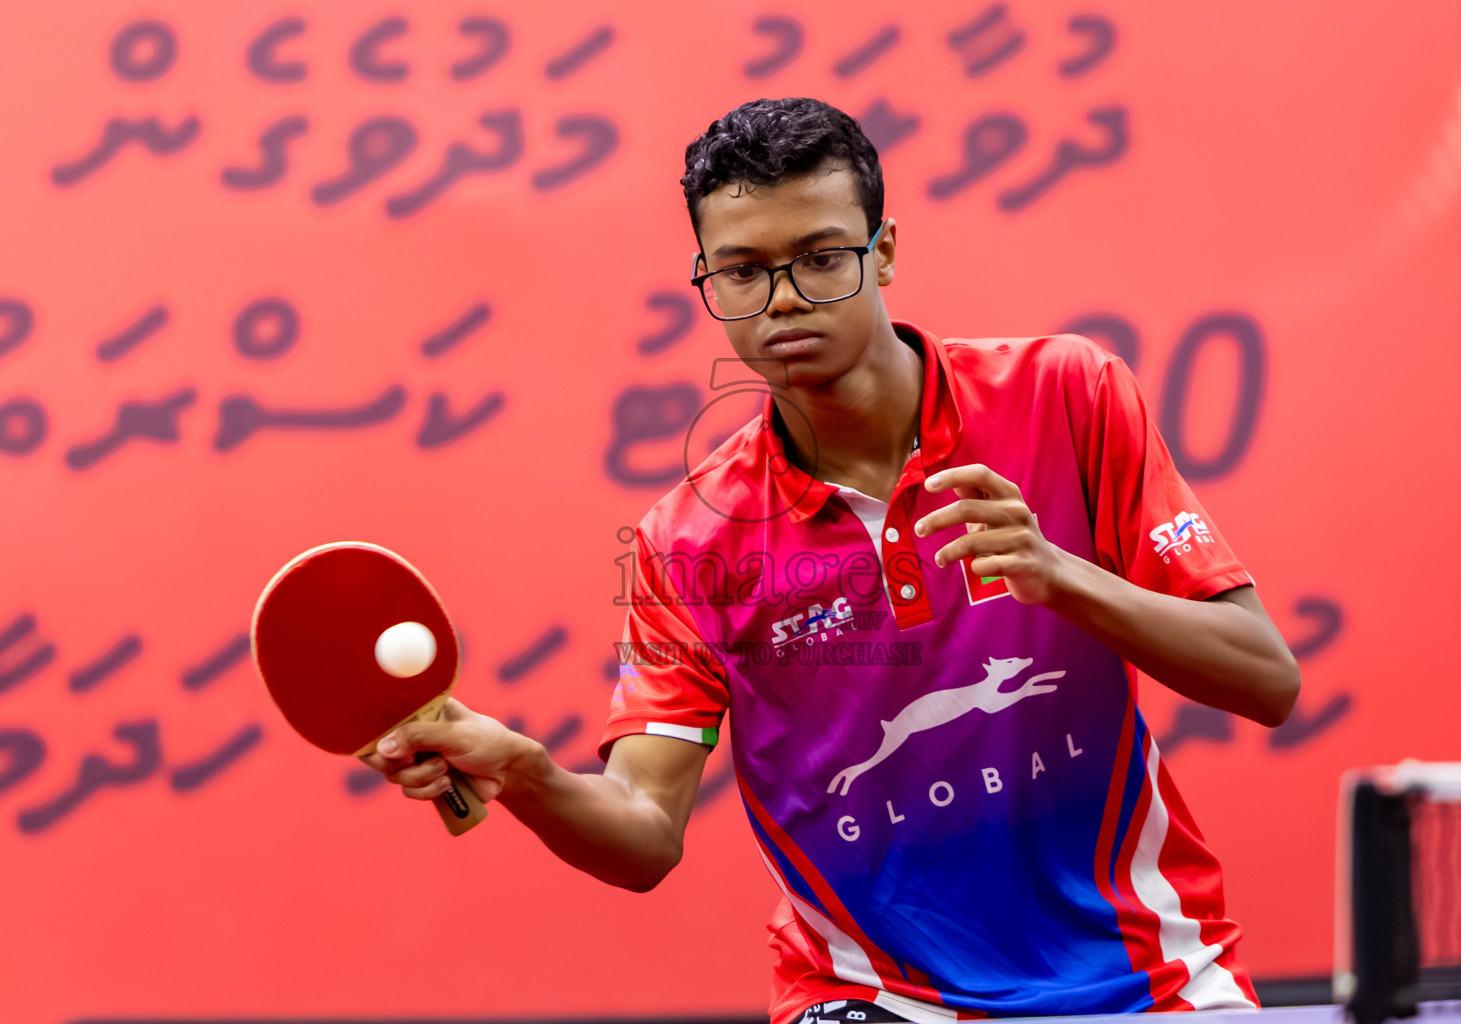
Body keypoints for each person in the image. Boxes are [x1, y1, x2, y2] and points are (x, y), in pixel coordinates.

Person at [364, 97, 1302, 1024]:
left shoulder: (1070, 393)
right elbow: (646, 837)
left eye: (821, 259)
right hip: (874, 998)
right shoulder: (686, 542)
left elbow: (1266, 679)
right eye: (743, 271)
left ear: (884, 249)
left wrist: (1063, 577)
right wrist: (528, 771)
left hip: (1149, 977)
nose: (782, 298)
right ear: (707, 280)